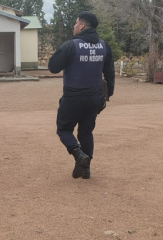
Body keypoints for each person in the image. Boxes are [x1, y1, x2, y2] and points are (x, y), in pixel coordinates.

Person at [48, 11, 115, 179]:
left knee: (63, 129)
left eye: (76, 23)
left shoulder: (71, 45)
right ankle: (85, 169)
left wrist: (61, 52)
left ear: (82, 26)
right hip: (94, 98)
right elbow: (110, 73)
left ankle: (78, 154)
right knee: (86, 133)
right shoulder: (104, 46)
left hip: (73, 97)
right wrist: (107, 95)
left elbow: (53, 67)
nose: (74, 26)